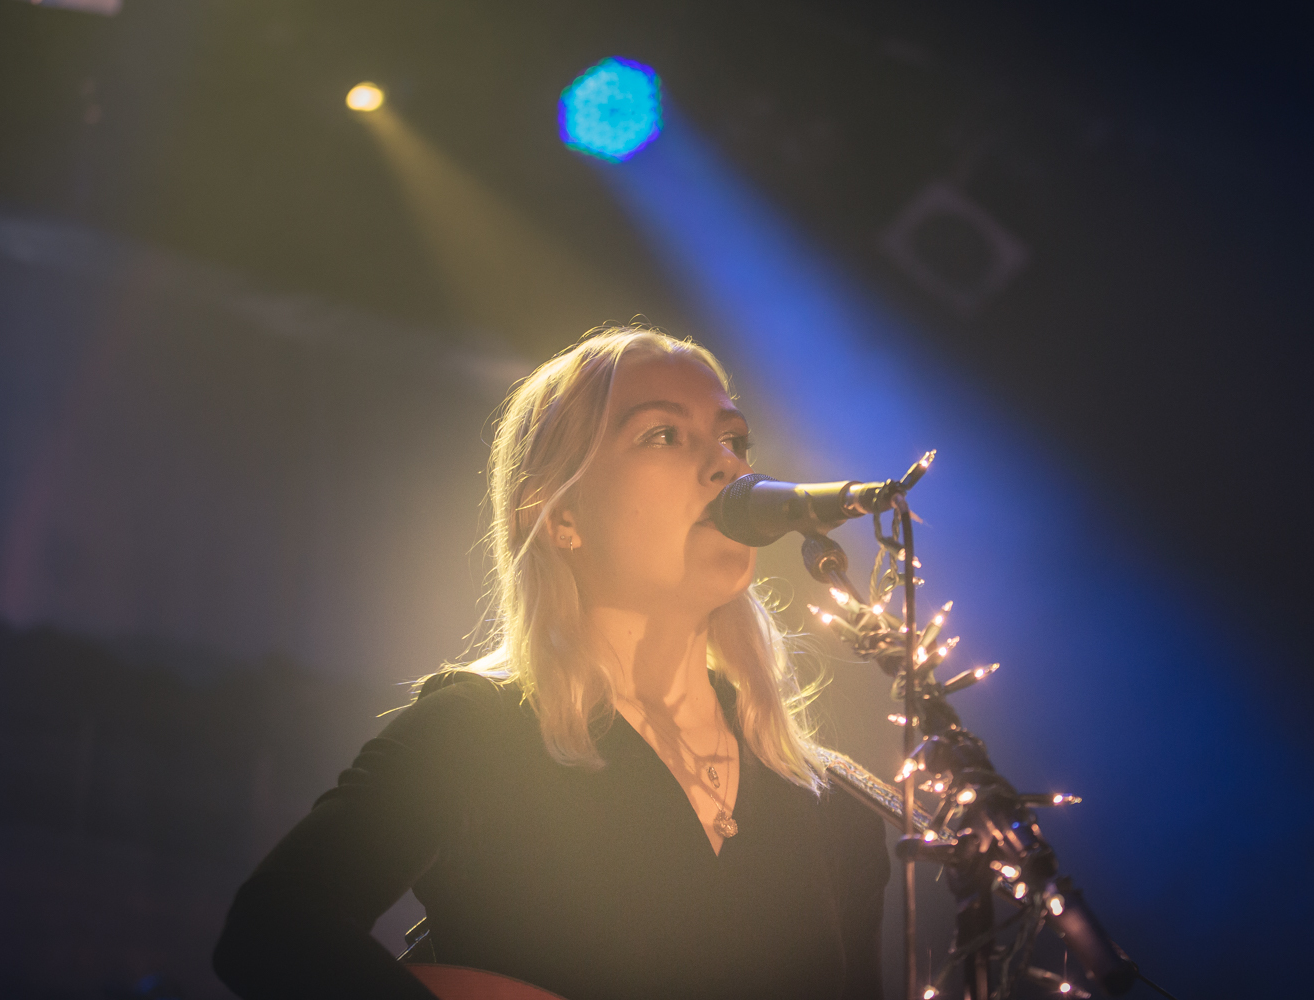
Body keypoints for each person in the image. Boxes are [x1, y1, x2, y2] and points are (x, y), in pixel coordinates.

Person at [211, 326, 890, 1000]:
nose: (730, 468)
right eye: (663, 435)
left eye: (733, 440)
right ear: (562, 514)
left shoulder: (832, 809)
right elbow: (273, 931)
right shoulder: (477, 733)